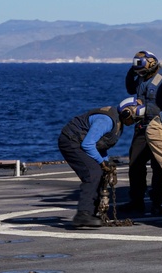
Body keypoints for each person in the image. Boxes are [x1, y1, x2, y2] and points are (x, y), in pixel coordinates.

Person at [58, 96, 144, 228]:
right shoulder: (106, 121)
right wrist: (101, 162)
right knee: (92, 173)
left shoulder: (118, 124)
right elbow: (88, 144)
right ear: (126, 112)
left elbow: (101, 145)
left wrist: (105, 162)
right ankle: (83, 214)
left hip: (80, 142)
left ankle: (94, 212)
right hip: (71, 141)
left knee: (100, 172)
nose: (134, 122)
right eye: (134, 118)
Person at [123, 50, 162, 215]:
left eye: (142, 70)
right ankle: (136, 201)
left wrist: (148, 110)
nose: (140, 74)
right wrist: (132, 71)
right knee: (135, 165)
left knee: (158, 167)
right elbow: (131, 88)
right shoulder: (141, 76)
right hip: (141, 128)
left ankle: (157, 203)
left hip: (160, 127)